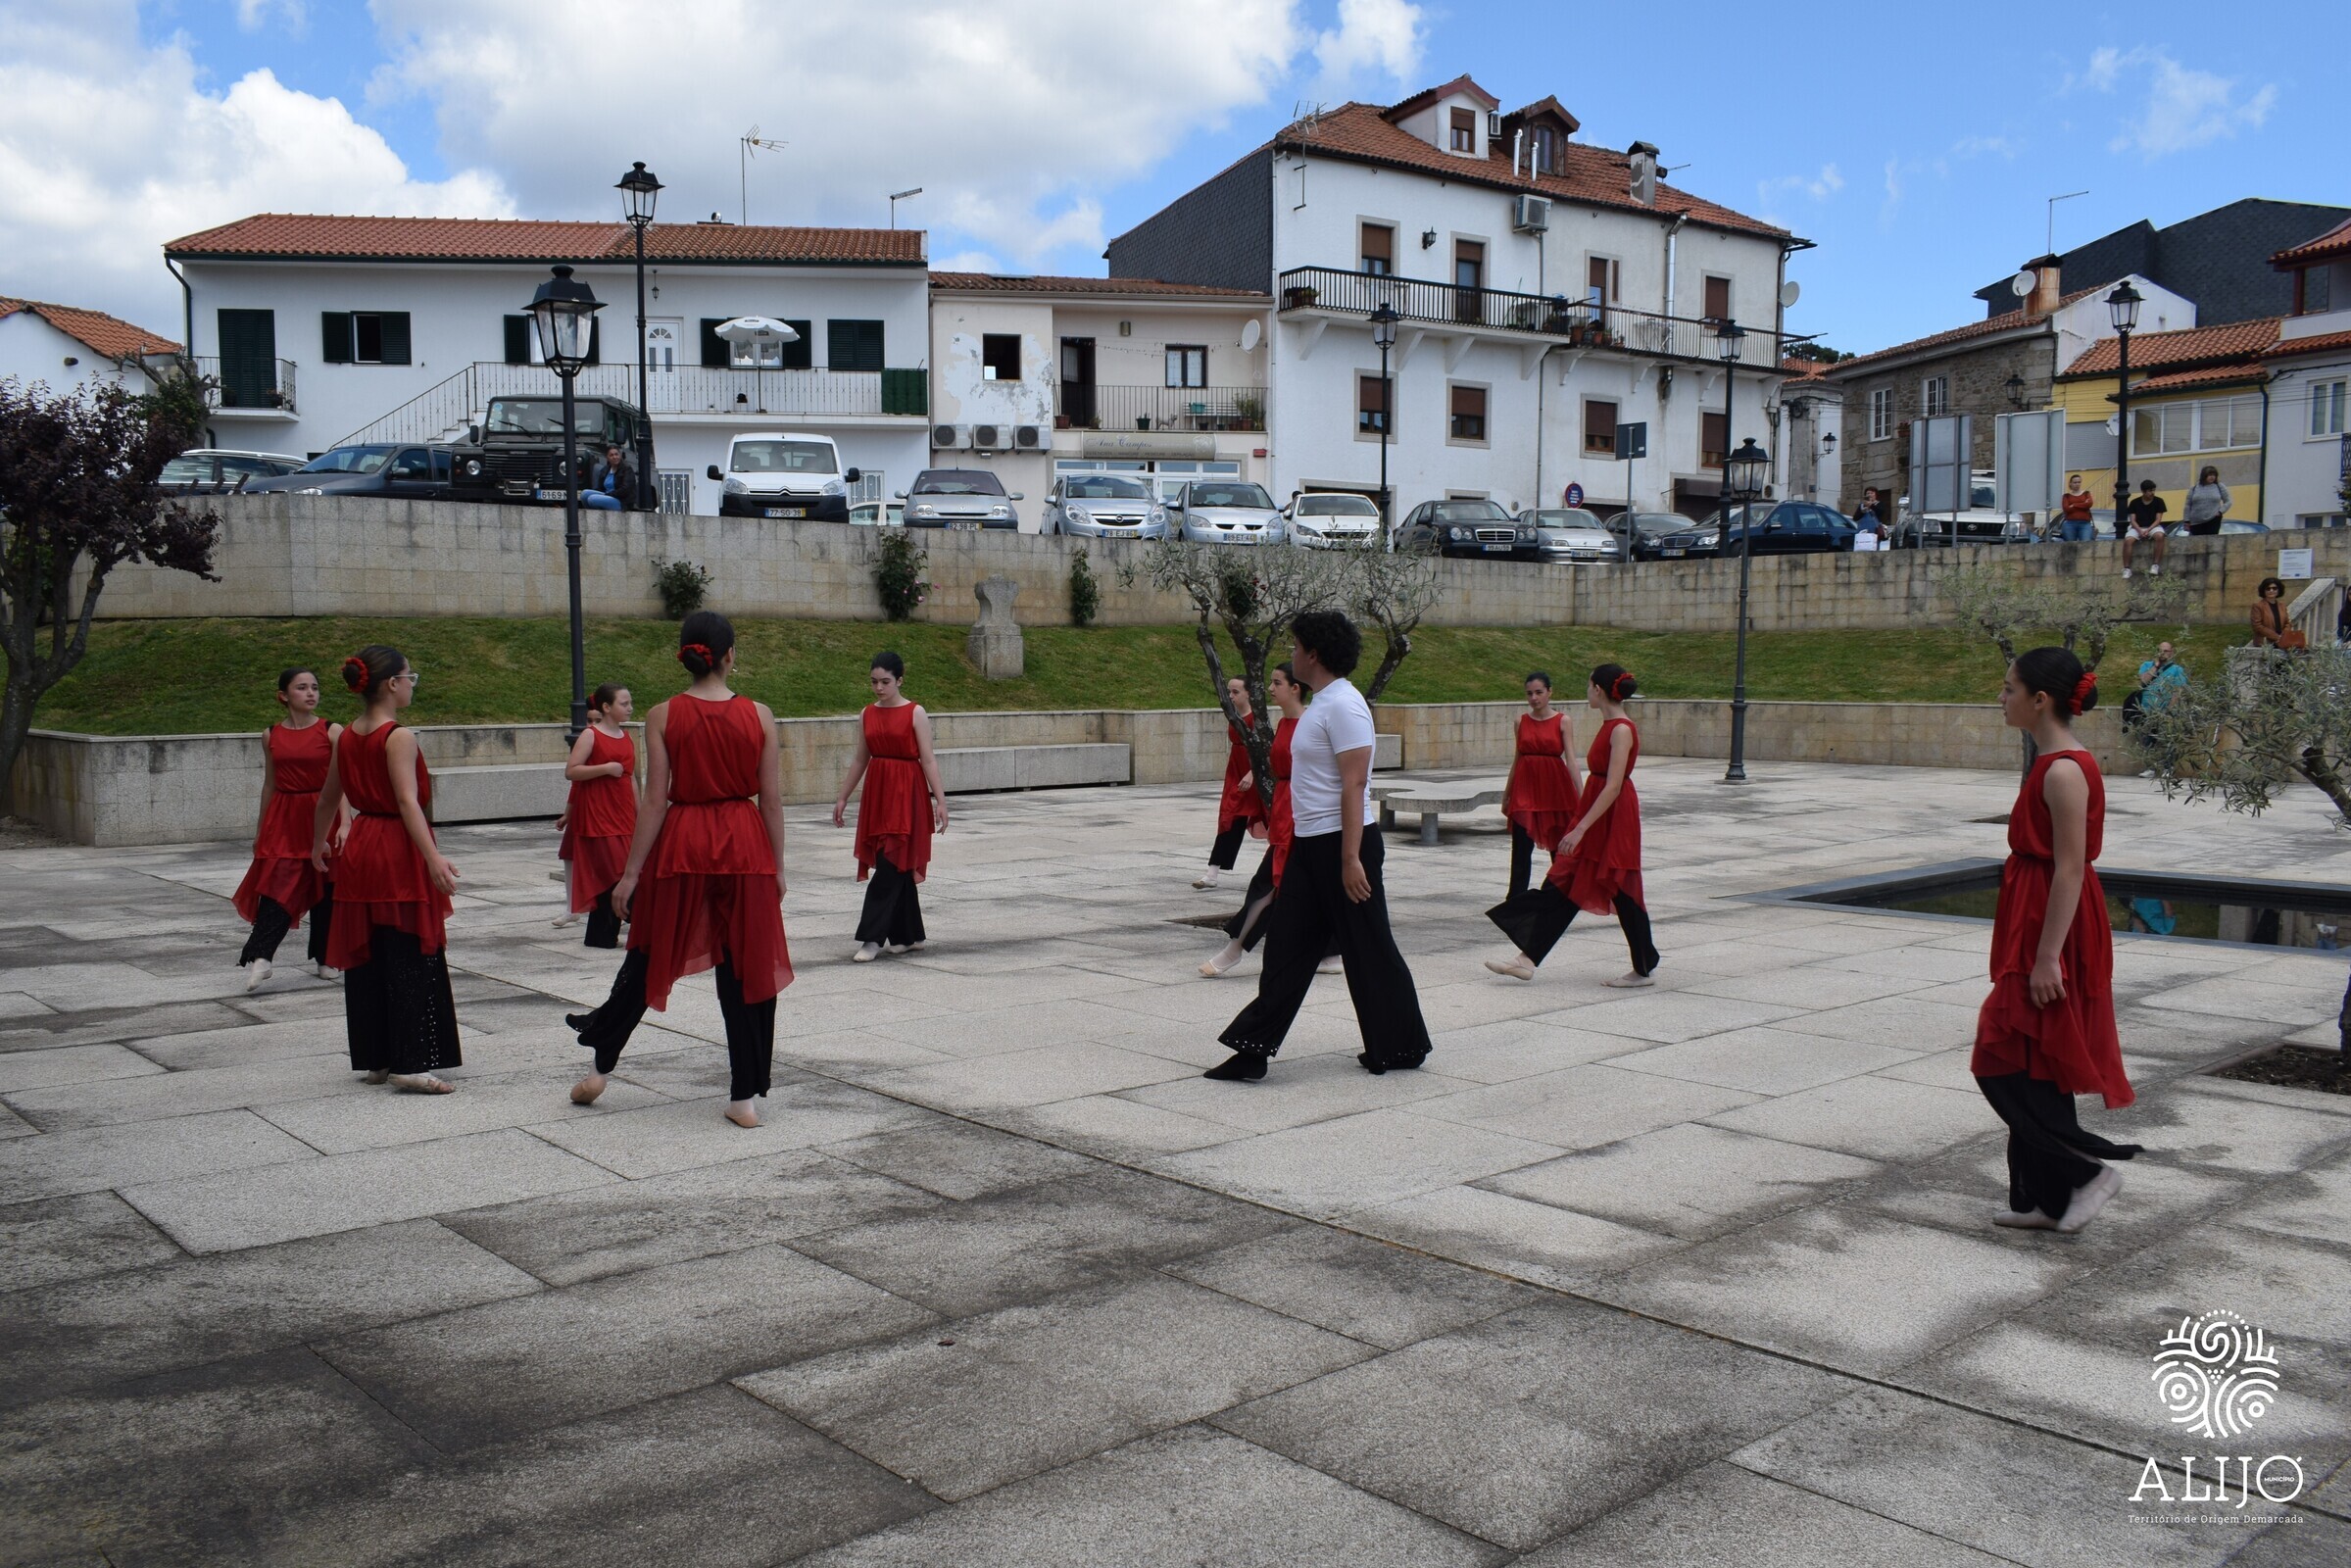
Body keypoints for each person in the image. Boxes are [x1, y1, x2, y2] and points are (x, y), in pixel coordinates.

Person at [566, 612, 791, 1127]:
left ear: (687, 656)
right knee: (747, 965)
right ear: (729, 655)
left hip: (684, 840)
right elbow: (772, 800)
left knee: (651, 952)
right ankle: (743, 1097)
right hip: (744, 844)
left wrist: (630, 874)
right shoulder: (759, 714)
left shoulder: (662, 714)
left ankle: (600, 1066)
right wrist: (778, 866)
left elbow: (654, 800)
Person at [1203, 611, 1433, 1081]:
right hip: (1310, 846)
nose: (1290, 653)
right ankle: (1252, 1051)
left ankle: (1401, 1046)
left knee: (1369, 948)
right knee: (1285, 947)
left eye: (1295, 646)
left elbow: (1355, 784)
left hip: (1345, 847)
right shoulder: (1324, 704)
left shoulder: (1345, 705)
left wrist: (1350, 859)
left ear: (1313, 654)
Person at [1973, 646, 2140, 1234]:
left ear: (2040, 700)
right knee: (2033, 1059)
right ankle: (2046, 1199)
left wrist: (2048, 958)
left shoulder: (2064, 770)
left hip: (2053, 924)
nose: (2001, 697)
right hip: (2036, 913)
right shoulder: (2051, 761)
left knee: (1997, 1055)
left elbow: (2070, 868)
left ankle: (2083, 1174)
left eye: (2009, 688)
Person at [313, 646, 461, 1094]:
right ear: (393, 684)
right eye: (409, 676)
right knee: (408, 953)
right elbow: (406, 801)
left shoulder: (347, 735)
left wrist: (317, 843)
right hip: (396, 849)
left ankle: (377, 1057)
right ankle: (409, 1062)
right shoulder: (398, 736)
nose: (412, 684)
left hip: (362, 847)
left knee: (370, 956)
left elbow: (327, 797)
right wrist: (433, 857)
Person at [1484, 664, 1659, 987]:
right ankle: (1527, 959)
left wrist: (1580, 828)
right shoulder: (1609, 725)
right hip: (1598, 810)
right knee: (1566, 881)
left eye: (1589, 685)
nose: (1587, 691)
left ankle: (1644, 965)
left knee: (1621, 885)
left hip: (1613, 816)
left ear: (1598, 690)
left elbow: (1614, 786)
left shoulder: (1621, 729)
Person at [1200, 663, 1342, 979]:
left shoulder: (1311, 725)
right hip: (1285, 808)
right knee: (1300, 885)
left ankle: (1234, 949)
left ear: (1295, 688)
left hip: (1301, 814)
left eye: (1277, 683)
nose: (1270, 688)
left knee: (1269, 882)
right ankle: (1331, 953)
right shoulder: (1285, 723)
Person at [835, 650, 949, 962]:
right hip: (879, 792)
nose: (878, 688)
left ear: (899, 680)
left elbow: (928, 759)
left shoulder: (915, 712)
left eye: (885, 681)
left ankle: (872, 938)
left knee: (890, 861)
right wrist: (843, 797)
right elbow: (860, 759)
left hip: (907, 794)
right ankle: (909, 936)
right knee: (896, 863)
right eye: (874, 681)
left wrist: (940, 801)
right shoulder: (866, 714)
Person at [233, 666, 343, 991]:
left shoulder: (332, 731)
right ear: (283, 695)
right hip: (284, 817)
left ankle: (327, 956)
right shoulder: (271, 735)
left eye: (315, 687)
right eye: (302, 687)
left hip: (324, 812)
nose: (311, 693)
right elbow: (270, 784)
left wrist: (347, 822)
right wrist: (261, 830)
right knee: (277, 886)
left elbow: (343, 783)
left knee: (327, 887)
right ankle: (262, 958)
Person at [557, 684, 636, 948]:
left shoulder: (626, 736)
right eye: (624, 703)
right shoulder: (591, 735)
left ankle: (601, 936)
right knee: (617, 871)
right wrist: (605, 768)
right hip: (600, 816)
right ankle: (646, 926)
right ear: (606, 707)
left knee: (617, 874)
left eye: (629, 703)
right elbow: (572, 771)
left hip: (623, 814)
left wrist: (640, 814)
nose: (630, 708)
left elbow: (631, 779)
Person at [1501, 671, 1581, 899]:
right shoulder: (1521, 721)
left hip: (1555, 789)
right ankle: (1514, 902)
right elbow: (1517, 758)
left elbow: (1571, 760)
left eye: (1538, 692)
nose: (1534, 698)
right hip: (1525, 789)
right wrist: (1507, 794)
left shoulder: (1563, 721)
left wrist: (1582, 795)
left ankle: (1558, 897)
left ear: (1549, 692)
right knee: (1520, 849)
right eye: (1529, 694)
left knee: (1559, 849)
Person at [1193, 676, 1265, 890]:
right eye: (1229, 692)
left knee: (1272, 819)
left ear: (1248, 693)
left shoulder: (1256, 719)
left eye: (1236, 692)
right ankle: (1212, 873)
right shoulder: (1234, 716)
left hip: (1254, 776)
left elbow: (1265, 750)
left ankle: (1285, 867)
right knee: (1229, 817)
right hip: (1235, 773)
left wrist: (1252, 774)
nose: (1231, 696)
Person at [2120, 480, 2167, 578]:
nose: (2152, 493)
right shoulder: (2134, 503)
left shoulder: (2159, 501)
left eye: (2153, 490)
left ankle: (2155, 565)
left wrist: (2148, 530)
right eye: (2150, 491)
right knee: (2128, 540)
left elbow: (2158, 520)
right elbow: (2133, 520)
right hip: (2138, 527)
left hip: (2153, 527)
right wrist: (2140, 530)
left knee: (2160, 536)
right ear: (2143, 491)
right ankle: (2127, 568)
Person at [2251, 576, 2307, 651]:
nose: (2271, 590)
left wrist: (2283, 636)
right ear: (2263, 590)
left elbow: (2287, 623)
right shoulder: (2258, 606)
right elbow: (2257, 626)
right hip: (2265, 643)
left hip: (2283, 643)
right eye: (2268, 588)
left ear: (2278, 590)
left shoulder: (2282, 606)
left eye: (2274, 588)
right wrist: (2277, 637)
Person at [2181, 466, 2231, 536]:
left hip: (2213, 519)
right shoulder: (2194, 488)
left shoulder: (2219, 486)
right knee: (2197, 541)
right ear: (2204, 476)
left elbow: (2228, 501)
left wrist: (2220, 512)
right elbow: (2188, 505)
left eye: (2214, 475)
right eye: (2210, 475)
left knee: (2212, 540)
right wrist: (2186, 520)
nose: (2212, 477)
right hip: (2195, 522)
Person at [583, 444, 634, 513]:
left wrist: (609, 495)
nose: (614, 457)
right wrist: (602, 494)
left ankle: (597, 515)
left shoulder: (626, 469)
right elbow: (600, 488)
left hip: (620, 500)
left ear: (620, 455)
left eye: (616, 454)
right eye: (611, 455)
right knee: (584, 494)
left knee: (592, 499)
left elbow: (625, 489)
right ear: (607, 457)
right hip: (607, 495)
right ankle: (591, 514)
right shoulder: (606, 469)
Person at [2054, 474, 2096, 544]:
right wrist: (2083, 504)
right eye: (2075, 482)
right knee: (2070, 545)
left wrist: (2074, 505)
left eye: (2079, 482)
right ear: (2070, 483)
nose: (2077, 484)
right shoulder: (2066, 496)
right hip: (2070, 523)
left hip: (2084, 523)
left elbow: (2089, 504)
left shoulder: (2086, 493)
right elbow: (2066, 509)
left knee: (2085, 543)